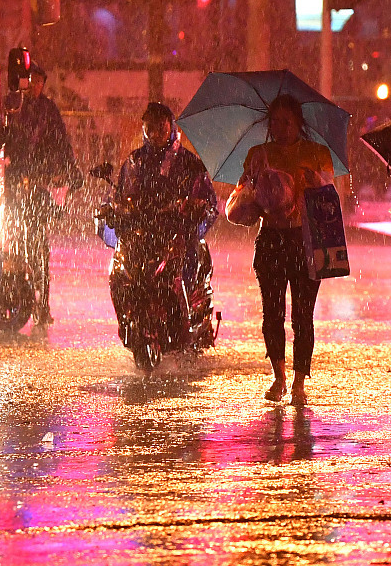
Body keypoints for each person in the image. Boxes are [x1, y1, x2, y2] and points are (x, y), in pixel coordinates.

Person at [234, 95, 335, 407]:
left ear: (298, 124)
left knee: (303, 316)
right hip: (271, 241)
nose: (279, 128)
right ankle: (278, 375)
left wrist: (314, 179)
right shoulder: (258, 153)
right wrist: (251, 187)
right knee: (272, 312)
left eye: (286, 122)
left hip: (306, 242)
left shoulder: (316, 153)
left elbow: (328, 197)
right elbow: (242, 200)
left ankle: (299, 381)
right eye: (274, 122)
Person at [3, 64, 83, 327]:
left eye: (39, 81)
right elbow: (9, 140)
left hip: (37, 186)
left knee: (39, 245)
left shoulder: (47, 110)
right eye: (32, 81)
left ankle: (42, 300)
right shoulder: (14, 106)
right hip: (17, 184)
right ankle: (21, 295)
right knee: (17, 242)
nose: (35, 86)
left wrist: (70, 169)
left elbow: (61, 140)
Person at [112, 101, 217, 237]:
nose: (155, 134)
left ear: (171, 127)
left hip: (178, 232)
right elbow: (122, 192)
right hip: (140, 230)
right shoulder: (135, 159)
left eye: (161, 128)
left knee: (187, 253)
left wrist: (197, 207)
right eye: (150, 128)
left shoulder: (188, 161)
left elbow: (208, 201)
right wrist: (114, 207)